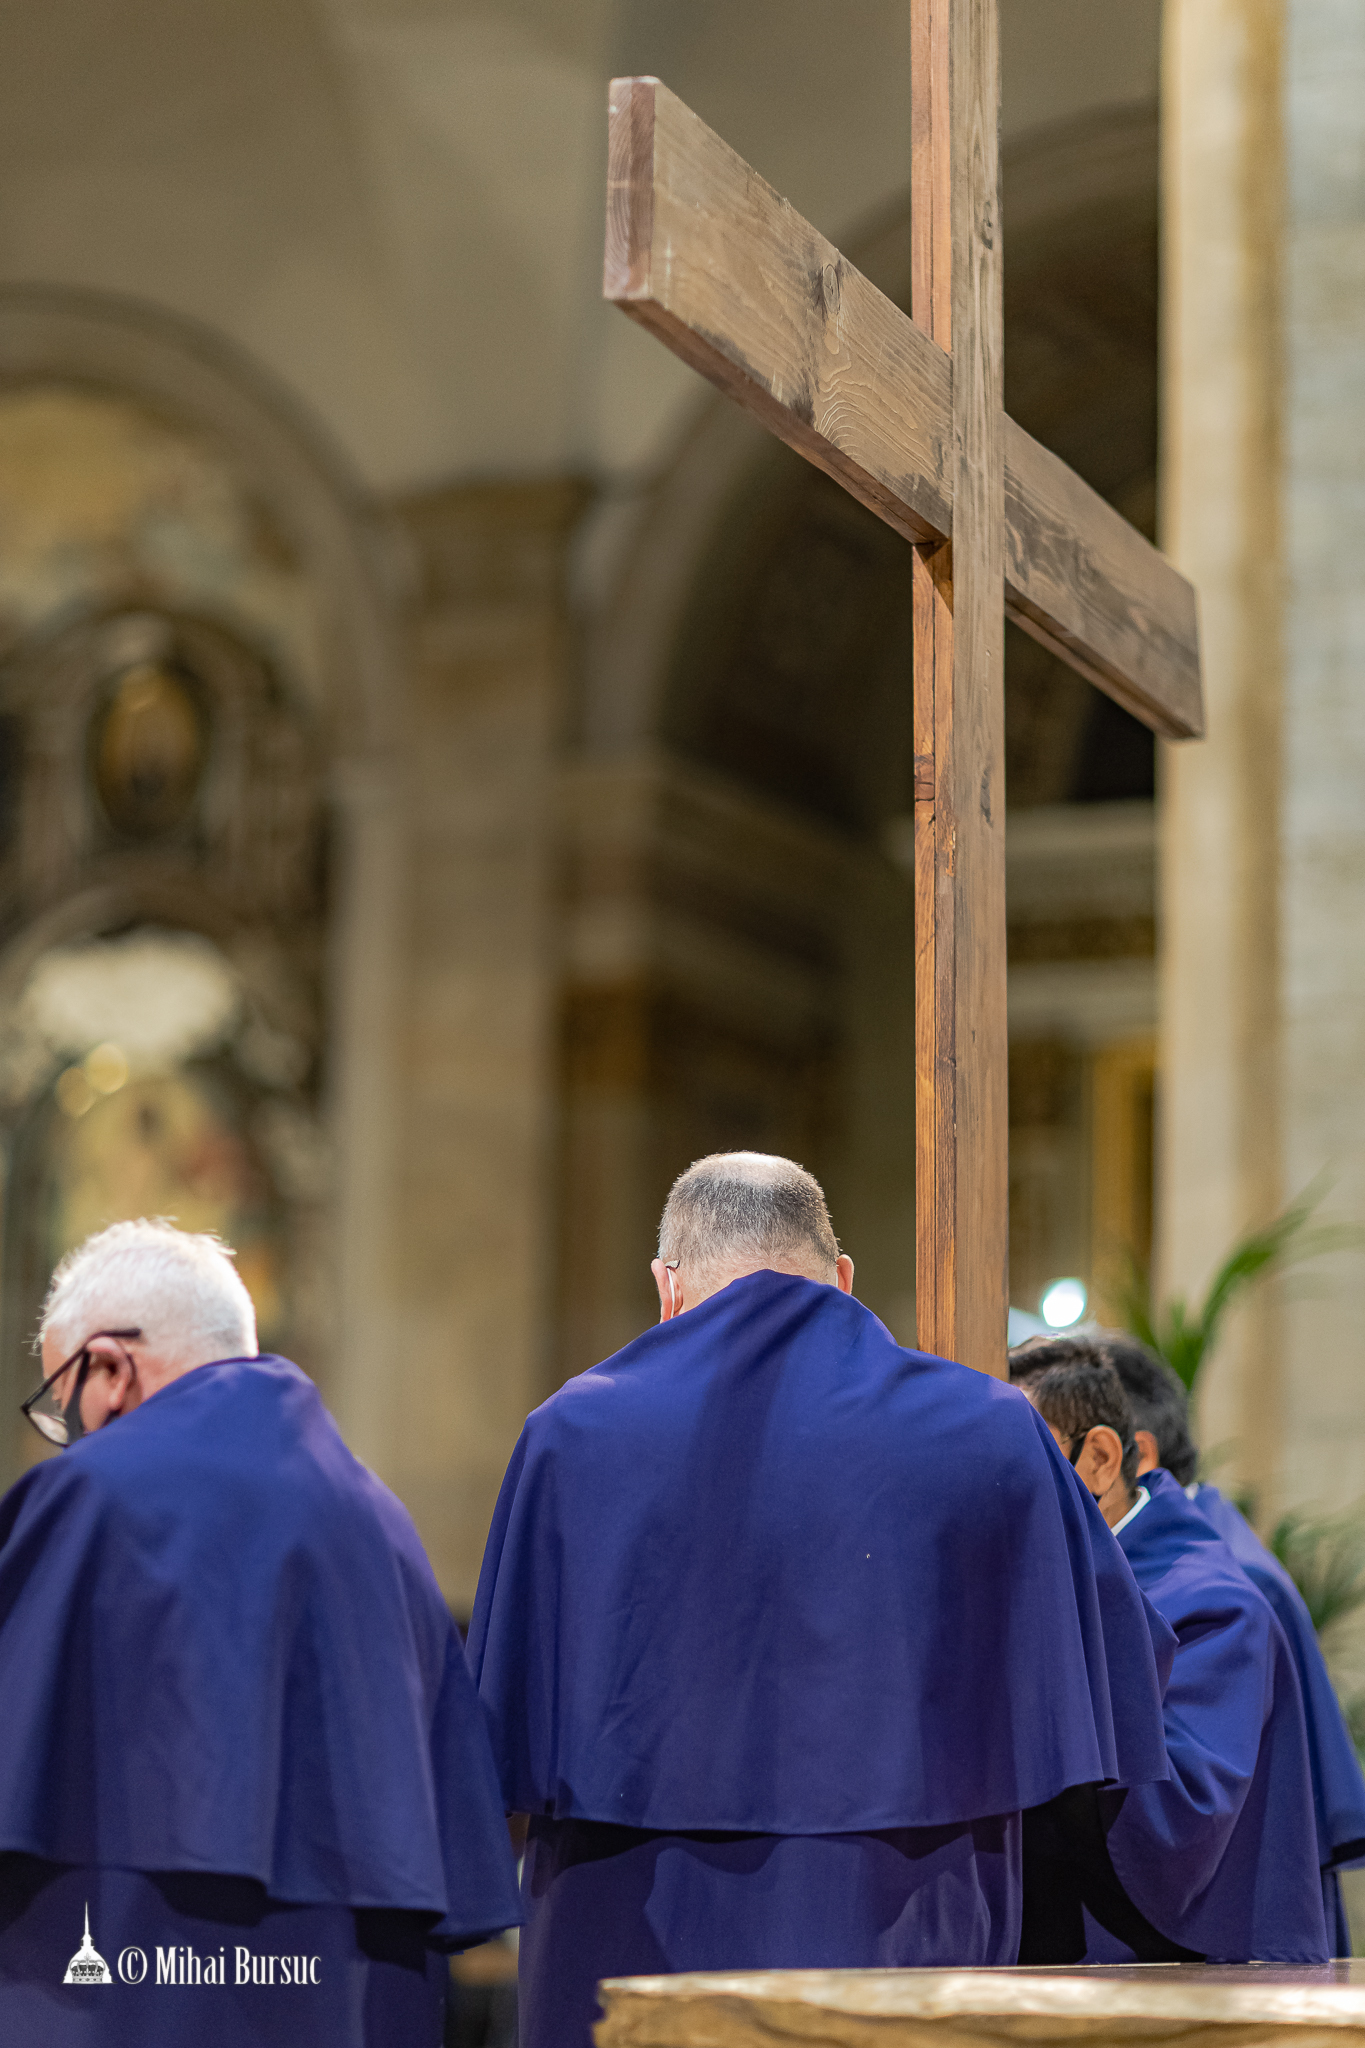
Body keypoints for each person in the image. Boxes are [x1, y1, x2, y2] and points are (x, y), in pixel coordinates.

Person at [469, 1152, 1176, 2048]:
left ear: (667, 1287)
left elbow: (495, 1723)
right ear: (841, 1277)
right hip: (901, 1915)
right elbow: (1121, 1666)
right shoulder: (994, 1430)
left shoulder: (569, 1435)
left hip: (630, 1920)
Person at [0, 1220, 521, 2047]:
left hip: (127, 1979)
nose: (70, 1435)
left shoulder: (91, 1497)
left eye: (62, 1406)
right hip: (348, 1994)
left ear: (109, 1366)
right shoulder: (383, 1525)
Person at [1018, 1344, 1327, 1963]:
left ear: (1100, 1458)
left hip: (1174, 1978)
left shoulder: (1218, 1606)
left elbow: (1181, 1820)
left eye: (1020, 1464)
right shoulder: (1045, 1580)